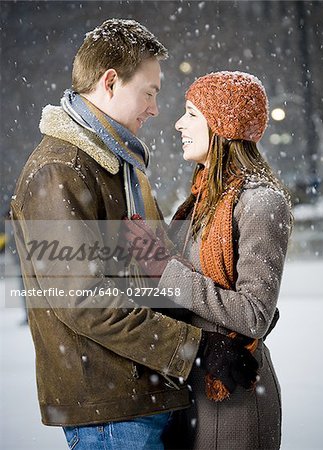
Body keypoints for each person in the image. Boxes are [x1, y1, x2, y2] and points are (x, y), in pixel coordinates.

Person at [10, 20, 258, 450]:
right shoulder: (60, 170)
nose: (156, 108)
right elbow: (84, 302)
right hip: (113, 410)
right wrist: (196, 348)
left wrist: (232, 314)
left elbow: (154, 271)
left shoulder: (119, 166)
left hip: (147, 395)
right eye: (150, 92)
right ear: (110, 82)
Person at [125, 71, 292, 449]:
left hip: (234, 396)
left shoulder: (260, 202)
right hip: (190, 388)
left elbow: (254, 315)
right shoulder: (201, 201)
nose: (179, 123)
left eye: (192, 113)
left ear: (222, 124)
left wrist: (164, 267)